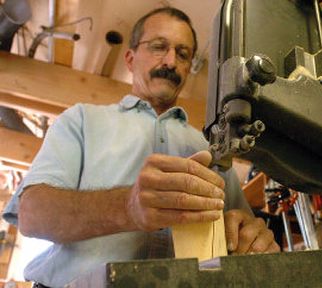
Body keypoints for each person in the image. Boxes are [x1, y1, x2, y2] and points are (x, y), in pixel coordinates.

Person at [3, 7, 279, 288]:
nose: (171, 61)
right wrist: (128, 207)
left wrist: (253, 238)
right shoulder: (82, 119)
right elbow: (32, 215)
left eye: (183, 54)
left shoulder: (212, 145)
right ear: (130, 58)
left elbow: (242, 230)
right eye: (159, 47)